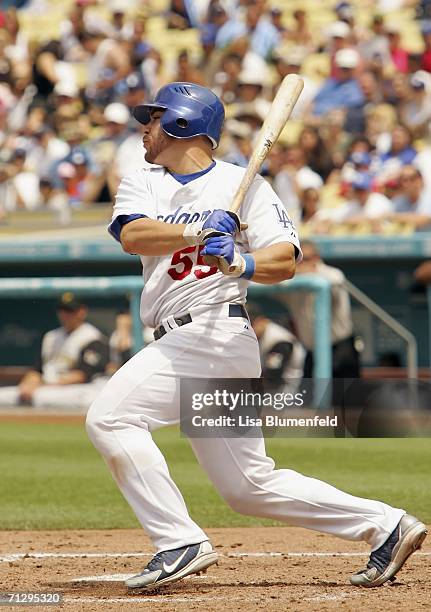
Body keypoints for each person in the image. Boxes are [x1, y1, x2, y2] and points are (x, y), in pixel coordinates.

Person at [86, 82, 427, 593]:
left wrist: (239, 258)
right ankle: (386, 525)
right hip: (187, 339)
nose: (145, 129)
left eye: (153, 119)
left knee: (111, 417)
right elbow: (133, 236)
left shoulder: (247, 187)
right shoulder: (144, 181)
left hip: (212, 332)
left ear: (182, 122)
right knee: (248, 486)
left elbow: (284, 260)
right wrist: (199, 231)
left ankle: (178, 541)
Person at [0, 293, 109, 410]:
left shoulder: (92, 337)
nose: (65, 315)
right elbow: (37, 370)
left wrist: (43, 386)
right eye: (62, 310)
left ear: (82, 311)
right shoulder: (51, 337)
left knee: (43, 397)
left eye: (70, 310)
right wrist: (27, 385)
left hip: (76, 390)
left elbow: (82, 375)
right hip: (45, 388)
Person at [283, 240, 361, 380]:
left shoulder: (331, 274)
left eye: (306, 259)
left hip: (340, 348)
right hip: (312, 351)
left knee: (345, 399)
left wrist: (311, 273)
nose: (302, 263)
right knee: (310, 398)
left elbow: (336, 280)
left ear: (317, 258)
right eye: (298, 259)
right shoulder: (293, 279)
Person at [249, 305, 305, 393]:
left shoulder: (279, 340)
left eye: (252, 323)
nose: (250, 328)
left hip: (283, 394)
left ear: (263, 321)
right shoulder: (258, 336)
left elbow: (273, 377)